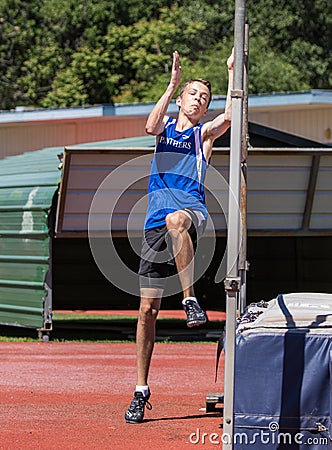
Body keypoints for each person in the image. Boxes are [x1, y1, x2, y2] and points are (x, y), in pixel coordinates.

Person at [125, 48, 234, 424]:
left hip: (191, 213)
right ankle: (141, 389)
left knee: (176, 220)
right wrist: (171, 84)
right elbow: (149, 127)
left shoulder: (203, 136)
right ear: (183, 98)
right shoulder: (167, 129)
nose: (199, 100)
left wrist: (232, 72)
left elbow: (230, 117)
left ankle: (190, 299)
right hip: (153, 223)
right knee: (146, 311)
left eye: (204, 98)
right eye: (194, 94)